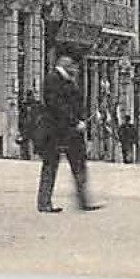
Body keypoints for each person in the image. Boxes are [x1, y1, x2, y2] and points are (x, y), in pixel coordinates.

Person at [36, 53, 101, 213]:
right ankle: (44, 203)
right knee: (51, 165)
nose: (76, 70)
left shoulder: (67, 81)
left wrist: (83, 118)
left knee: (77, 164)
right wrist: (74, 122)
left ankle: (82, 200)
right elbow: (56, 106)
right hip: (56, 131)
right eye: (73, 66)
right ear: (67, 66)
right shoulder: (53, 79)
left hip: (69, 131)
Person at [16, 89, 40, 161]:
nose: (29, 97)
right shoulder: (25, 105)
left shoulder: (35, 105)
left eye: (30, 95)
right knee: (25, 141)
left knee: (32, 141)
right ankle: (26, 155)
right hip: (26, 126)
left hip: (32, 126)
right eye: (28, 96)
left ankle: (32, 155)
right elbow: (21, 116)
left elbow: (37, 115)